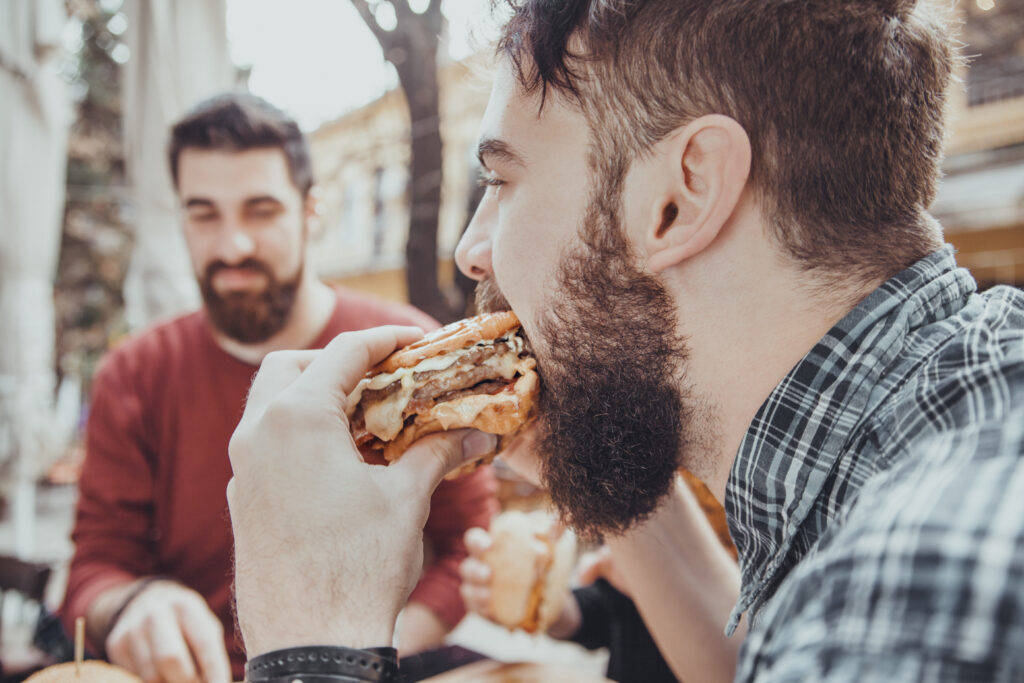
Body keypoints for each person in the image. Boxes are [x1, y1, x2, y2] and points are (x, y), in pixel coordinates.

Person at [225, 1, 1024, 682]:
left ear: (681, 196)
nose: (474, 249)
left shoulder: (924, 587)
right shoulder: (955, 403)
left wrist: (309, 630)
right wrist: (596, 452)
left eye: (502, 181)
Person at [60, 93, 498, 683]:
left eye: (260, 210)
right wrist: (136, 602)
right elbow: (94, 569)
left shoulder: (408, 353)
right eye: (204, 213)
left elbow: (466, 550)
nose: (232, 245)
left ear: (310, 210)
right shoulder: (134, 372)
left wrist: (348, 650)